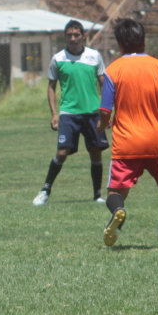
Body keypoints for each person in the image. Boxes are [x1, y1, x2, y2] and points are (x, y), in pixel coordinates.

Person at [98, 18, 158, 249]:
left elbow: (105, 110)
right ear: (143, 40)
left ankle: (118, 211)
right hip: (157, 142)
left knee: (115, 192)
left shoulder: (113, 70)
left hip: (127, 143)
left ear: (121, 44)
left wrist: (102, 124)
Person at [33, 19, 109, 206]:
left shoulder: (94, 56)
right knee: (62, 152)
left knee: (95, 152)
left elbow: (104, 83)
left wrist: (107, 111)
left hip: (92, 112)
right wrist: (54, 113)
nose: (73, 38)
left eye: (76, 35)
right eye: (69, 35)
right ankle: (45, 189)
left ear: (83, 36)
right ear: (65, 37)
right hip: (68, 113)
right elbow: (51, 86)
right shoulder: (58, 58)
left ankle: (97, 195)